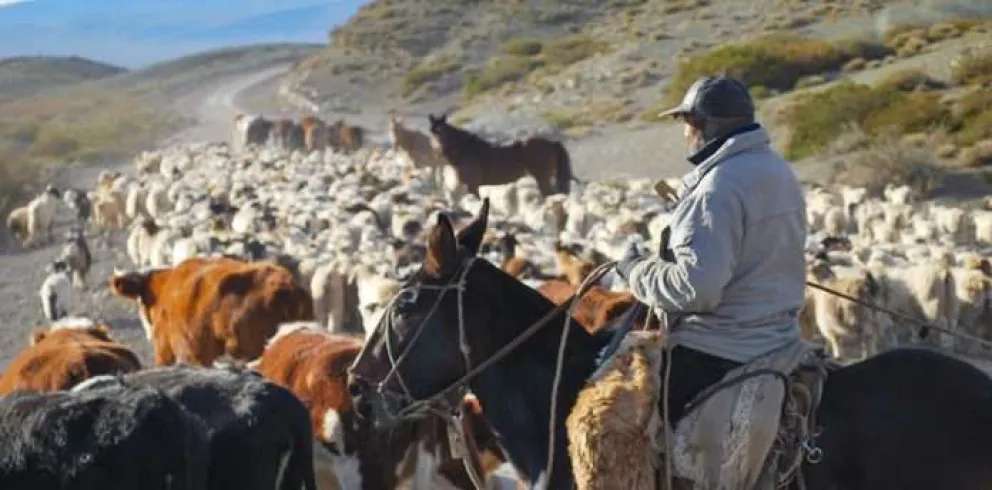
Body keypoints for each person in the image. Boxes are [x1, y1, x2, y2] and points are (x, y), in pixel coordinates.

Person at [613, 75, 808, 426]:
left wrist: (635, 270)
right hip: (782, 337)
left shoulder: (715, 190)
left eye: (686, 124)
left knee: (617, 419)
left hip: (724, 346)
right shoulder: (778, 169)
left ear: (700, 125)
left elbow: (695, 289)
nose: (685, 134)